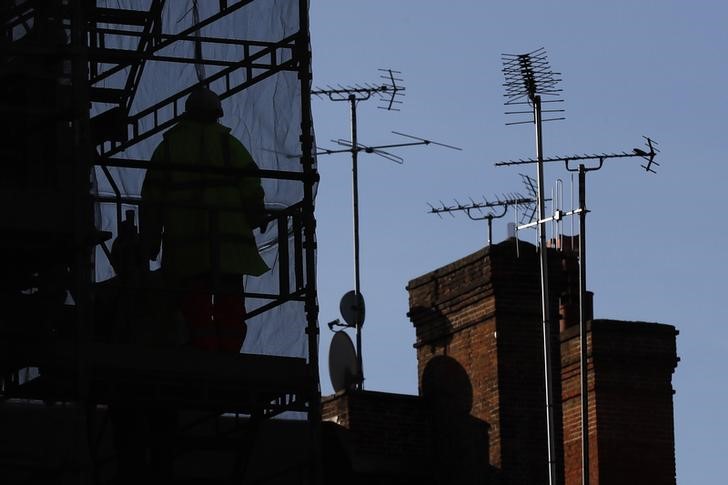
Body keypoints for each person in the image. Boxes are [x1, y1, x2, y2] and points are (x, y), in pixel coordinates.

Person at [140, 87, 269, 353]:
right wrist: (256, 213)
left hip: (186, 248)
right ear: (217, 114)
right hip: (228, 248)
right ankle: (228, 352)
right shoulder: (229, 145)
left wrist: (149, 243)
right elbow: (250, 184)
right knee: (230, 303)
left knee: (194, 304)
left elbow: (151, 200)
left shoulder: (168, 148)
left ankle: (203, 349)